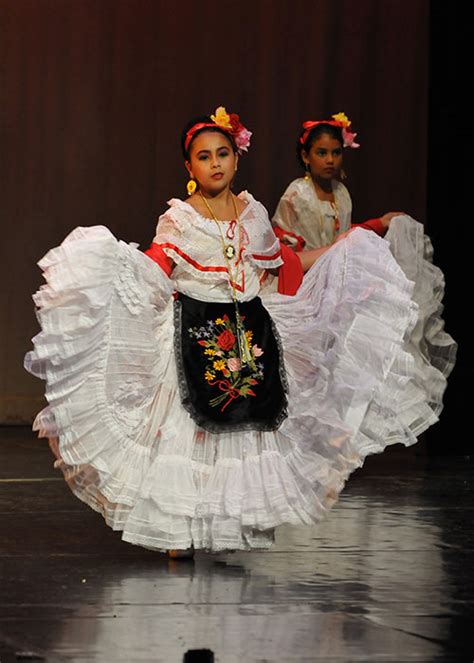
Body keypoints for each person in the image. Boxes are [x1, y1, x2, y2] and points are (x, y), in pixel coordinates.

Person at [24, 106, 447, 558]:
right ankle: (177, 531)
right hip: (194, 332)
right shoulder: (181, 218)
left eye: (222, 153)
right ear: (190, 168)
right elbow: (159, 262)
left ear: (236, 158)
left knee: (240, 436)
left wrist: (339, 248)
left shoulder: (253, 214)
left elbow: (280, 263)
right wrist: (113, 266)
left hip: (249, 334)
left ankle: (223, 526)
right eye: (204, 157)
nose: (215, 163)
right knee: (187, 431)